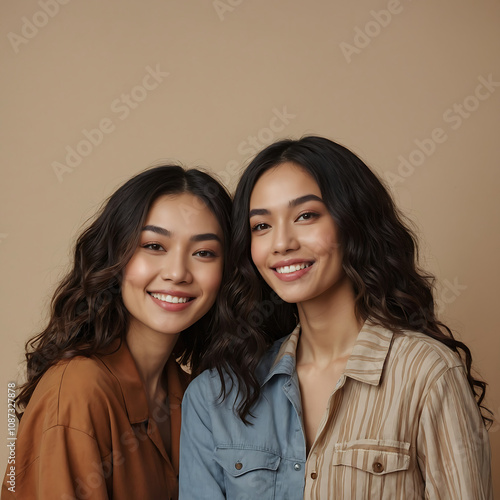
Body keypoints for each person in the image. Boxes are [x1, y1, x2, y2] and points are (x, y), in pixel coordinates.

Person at [179, 137, 493, 499]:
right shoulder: (214, 397)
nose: (281, 243)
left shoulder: (427, 374)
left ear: (352, 222)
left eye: (306, 216)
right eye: (261, 226)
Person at [2, 165, 232, 499]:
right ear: (116, 257)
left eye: (204, 253)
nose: (178, 273)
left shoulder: (193, 395)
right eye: (154, 246)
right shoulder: (78, 391)